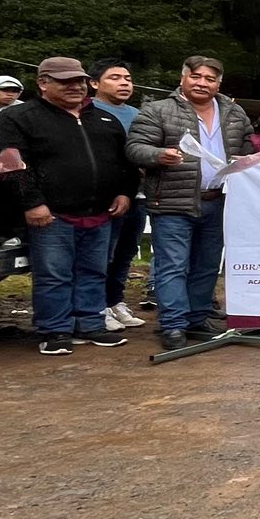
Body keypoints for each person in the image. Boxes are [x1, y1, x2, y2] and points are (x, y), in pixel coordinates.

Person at [0, 58, 138, 355]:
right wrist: (32, 202)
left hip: (100, 213)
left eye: (80, 81)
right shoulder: (19, 117)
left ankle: (90, 323)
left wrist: (125, 192)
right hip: (52, 213)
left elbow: (125, 164)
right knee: (54, 273)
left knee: (95, 271)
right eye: (65, 81)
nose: (75, 86)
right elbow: (10, 165)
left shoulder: (104, 119)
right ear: (43, 83)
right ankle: (55, 330)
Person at [128, 55, 254, 351]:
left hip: (219, 200)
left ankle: (197, 319)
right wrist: (159, 155)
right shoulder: (157, 110)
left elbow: (248, 144)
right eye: (196, 77)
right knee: (173, 266)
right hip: (172, 200)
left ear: (218, 83)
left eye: (210, 79)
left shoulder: (234, 112)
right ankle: (173, 325)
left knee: (208, 265)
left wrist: (252, 158)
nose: (202, 83)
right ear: (183, 78)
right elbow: (135, 148)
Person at [90, 60, 148, 331]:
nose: (124, 83)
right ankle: (96, 306)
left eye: (127, 78)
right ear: (94, 83)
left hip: (138, 193)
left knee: (126, 252)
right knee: (104, 253)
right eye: (114, 77)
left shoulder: (138, 114)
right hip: (105, 196)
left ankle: (115, 301)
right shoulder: (86, 112)